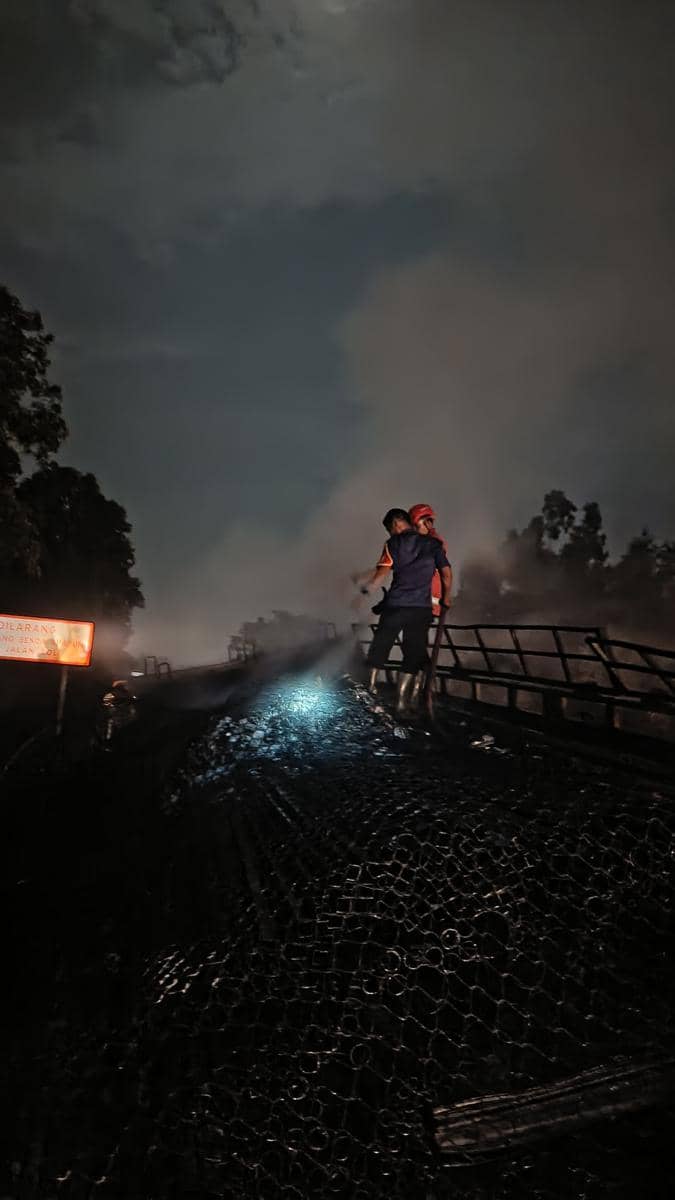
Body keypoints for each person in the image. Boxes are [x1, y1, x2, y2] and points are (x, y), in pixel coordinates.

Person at [356, 508, 452, 711]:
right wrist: (447, 598)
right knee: (414, 653)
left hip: (396, 605)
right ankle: (401, 701)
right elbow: (446, 574)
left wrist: (364, 593)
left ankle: (370, 690)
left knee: (381, 645)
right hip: (421, 609)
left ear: (394, 526)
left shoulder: (392, 544)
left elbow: (381, 573)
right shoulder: (434, 544)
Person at [408, 503, 452, 618]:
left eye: (416, 526)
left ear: (428, 523)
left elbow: (446, 575)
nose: (414, 531)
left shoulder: (433, 545)